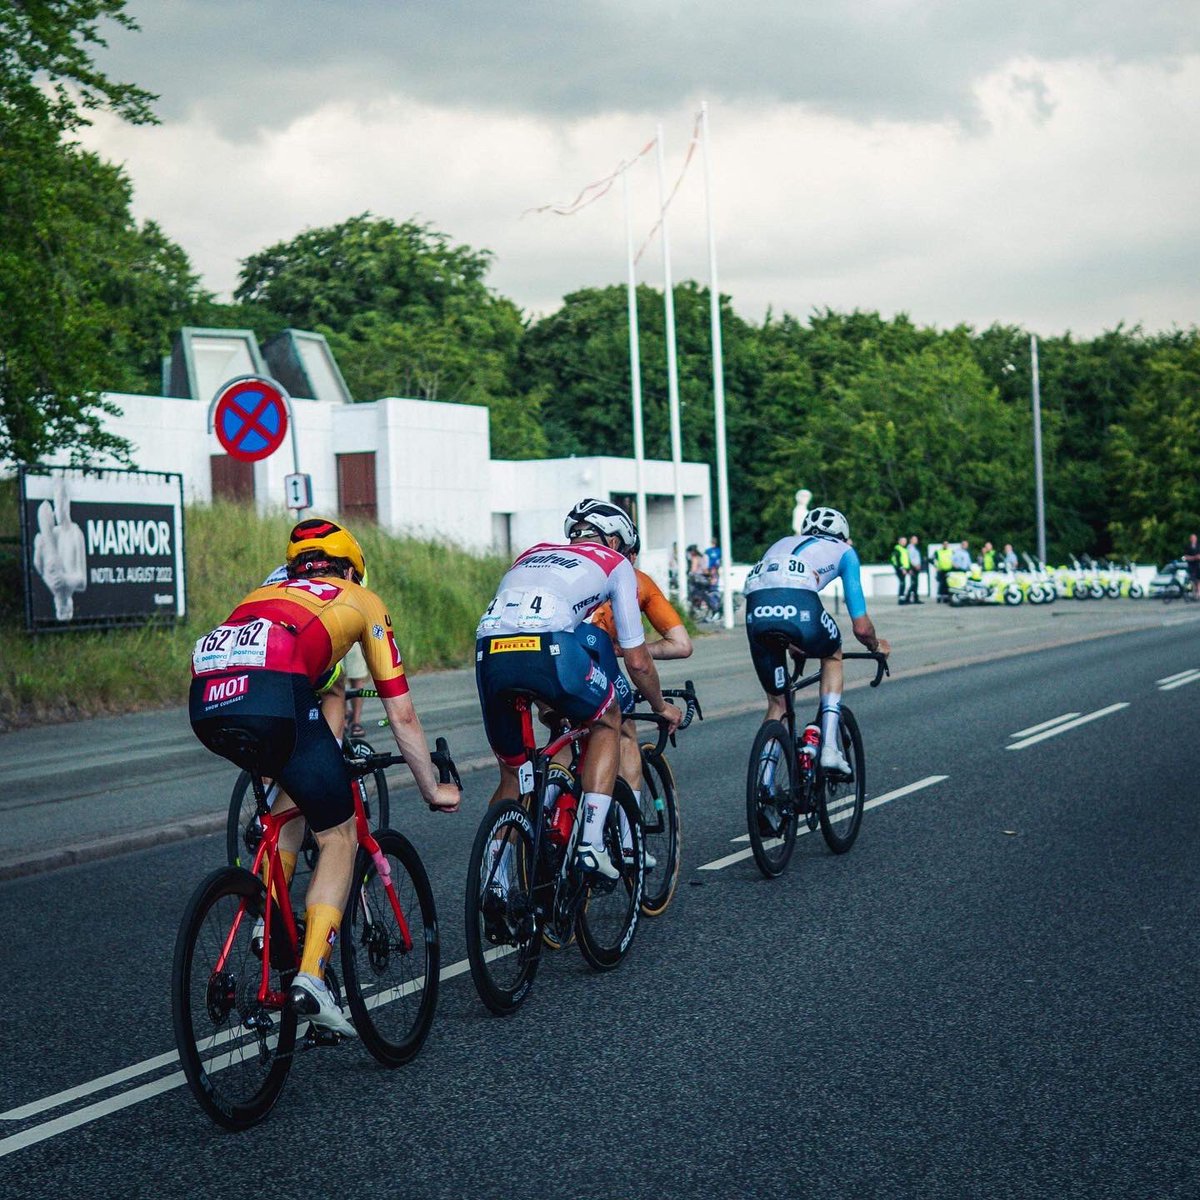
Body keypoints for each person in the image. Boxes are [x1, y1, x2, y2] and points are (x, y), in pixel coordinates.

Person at [189, 518, 460, 1035]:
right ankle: (311, 976)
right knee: (338, 836)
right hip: (276, 692)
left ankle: (269, 926)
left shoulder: (267, 592)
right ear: (352, 570)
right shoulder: (360, 599)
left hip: (207, 699)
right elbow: (401, 714)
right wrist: (431, 786)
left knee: (292, 801)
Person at [475, 498, 682, 881]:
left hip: (490, 652)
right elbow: (637, 661)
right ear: (617, 542)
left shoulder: (532, 553)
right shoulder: (616, 563)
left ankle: (494, 881)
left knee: (514, 774)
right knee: (608, 719)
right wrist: (661, 706)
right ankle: (590, 843)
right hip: (550, 648)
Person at [743, 506, 889, 775]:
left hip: (756, 611)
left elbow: (776, 599)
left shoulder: (780, 543)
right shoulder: (845, 551)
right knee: (832, 654)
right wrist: (876, 646)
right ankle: (830, 749)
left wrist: (793, 643)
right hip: (800, 605)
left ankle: (764, 781)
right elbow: (861, 627)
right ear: (843, 535)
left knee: (778, 702)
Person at [587, 522, 693, 866]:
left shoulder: (567, 568)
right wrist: (626, 649)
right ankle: (628, 842)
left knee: (564, 732)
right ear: (629, 553)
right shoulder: (634, 579)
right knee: (624, 730)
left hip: (541, 653)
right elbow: (681, 645)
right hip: (594, 658)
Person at [890, 536, 909, 604]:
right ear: (899, 541)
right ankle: (901, 600)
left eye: (905, 541)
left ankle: (903, 598)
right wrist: (902, 568)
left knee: (904, 583)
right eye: (903, 541)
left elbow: (906, 560)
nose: (904, 542)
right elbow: (897, 560)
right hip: (900, 569)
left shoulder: (904, 549)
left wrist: (909, 569)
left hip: (905, 569)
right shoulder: (897, 549)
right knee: (902, 583)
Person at [906, 536, 924, 604]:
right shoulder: (910, 548)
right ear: (911, 540)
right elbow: (910, 559)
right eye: (914, 539)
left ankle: (915, 599)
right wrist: (915, 566)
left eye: (916, 539)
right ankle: (907, 598)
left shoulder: (914, 548)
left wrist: (918, 565)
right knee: (913, 583)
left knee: (915, 584)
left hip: (916, 567)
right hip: (913, 568)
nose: (916, 540)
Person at [1184, 533, 1200, 599]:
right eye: (1192, 538)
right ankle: (1191, 592)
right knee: (1192, 580)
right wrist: (1193, 557)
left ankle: (1198, 593)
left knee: (1198, 580)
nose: (1193, 539)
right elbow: (1185, 557)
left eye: (1194, 538)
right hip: (1191, 566)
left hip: (1198, 565)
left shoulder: (1199, 546)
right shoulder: (1187, 546)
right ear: (1190, 539)